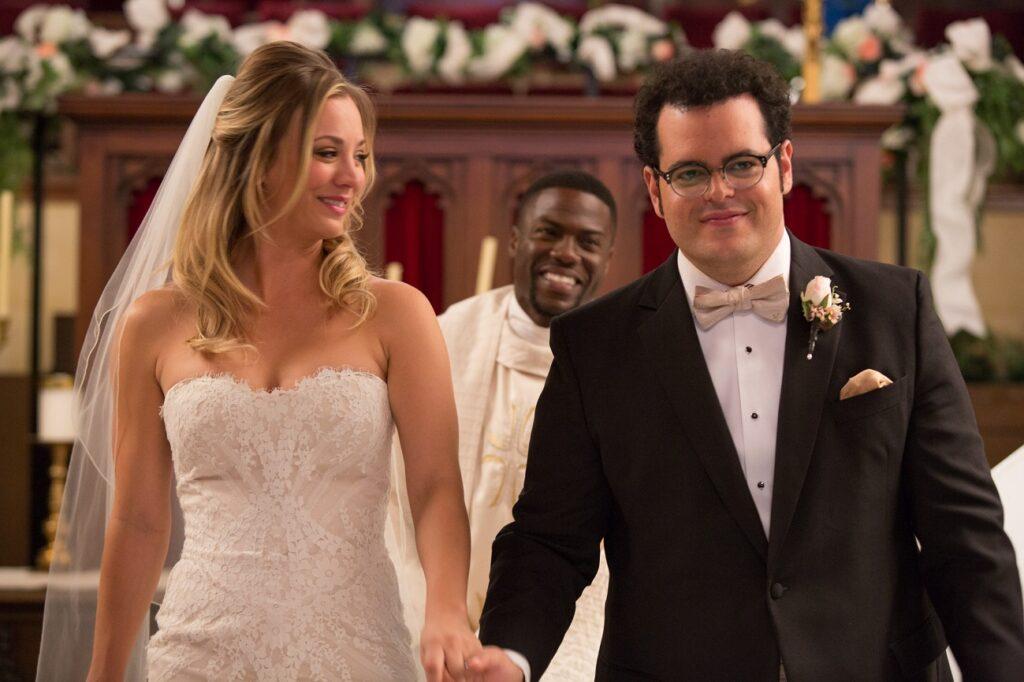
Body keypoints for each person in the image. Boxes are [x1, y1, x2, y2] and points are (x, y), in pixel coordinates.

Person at [468, 50, 1024, 681]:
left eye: (741, 164)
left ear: (783, 165)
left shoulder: (896, 309)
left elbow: (964, 536)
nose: (719, 192)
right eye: (690, 173)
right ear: (654, 189)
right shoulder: (593, 346)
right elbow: (548, 540)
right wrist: (510, 656)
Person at [37, 42, 478, 682]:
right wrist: (103, 674)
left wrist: (446, 609)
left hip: (354, 652)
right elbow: (137, 521)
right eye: (326, 153)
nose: (353, 177)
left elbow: (435, 485)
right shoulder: (153, 324)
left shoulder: (396, 315)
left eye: (359, 155)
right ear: (257, 159)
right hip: (199, 652)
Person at [388, 170, 616, 680]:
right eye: (548, 232)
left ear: (608, 258)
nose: (566, 253)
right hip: (430, 614)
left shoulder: (621, 362)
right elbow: (400, 497)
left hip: (568, 632)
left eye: (588, 242)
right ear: (515, 240)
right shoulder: (445, 337)